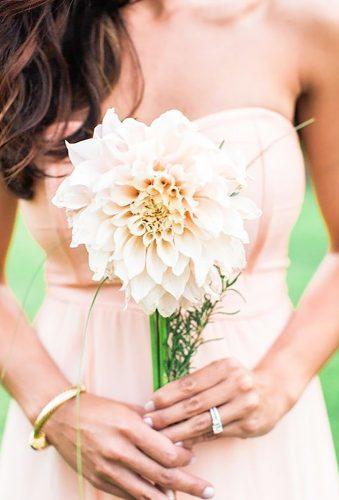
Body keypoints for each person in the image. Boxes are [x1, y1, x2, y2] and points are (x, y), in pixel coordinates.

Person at [0, 0, 338, 498]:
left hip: (252, 422)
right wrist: (52, 407)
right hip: (76, 424)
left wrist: (279, 382)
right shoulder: (25, 30)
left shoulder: (305, 26)